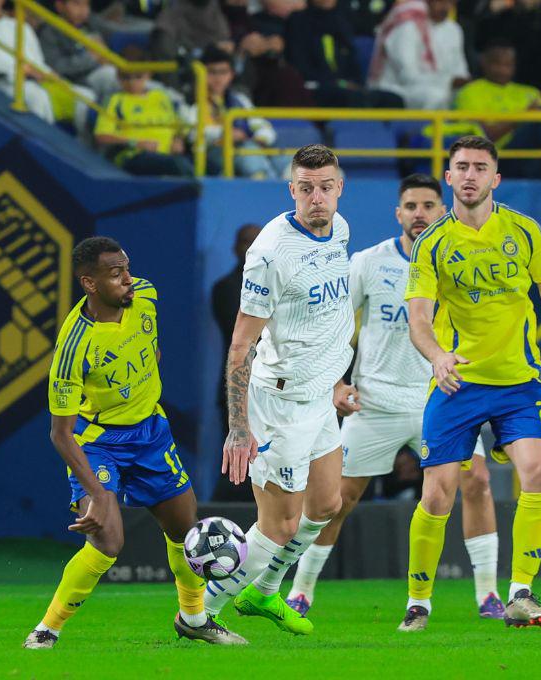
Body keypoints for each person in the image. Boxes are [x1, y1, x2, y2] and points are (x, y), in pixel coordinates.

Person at [285, 173, 505, 620]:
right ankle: (301, 590)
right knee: (338, 499)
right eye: (411, 206)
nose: (420, 213)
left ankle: (487, 594)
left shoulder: (461, 261)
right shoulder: (368, 262)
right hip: (376, 403)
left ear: (442, 210)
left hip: (441, 399)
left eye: (428, 205)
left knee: (478, 482)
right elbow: (332, 326)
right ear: (398, 213)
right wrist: (335, 385)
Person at [399, 135, 541, 632]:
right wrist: (437, 355)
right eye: (461, 166)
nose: (470, 175)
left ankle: (520, 593)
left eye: (480, 167)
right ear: (448, 176)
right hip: (458, 382)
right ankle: (419, 602)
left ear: (495, 179)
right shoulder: (432, 242)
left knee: (539, 470)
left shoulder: (524, 231)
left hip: (518, 383)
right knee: (438, 495)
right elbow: (417, 316)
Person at [23, 237, 246, 649]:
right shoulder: (74, 346)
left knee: (184, 530)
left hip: (150, 432)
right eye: (115, 274)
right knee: (108, 540)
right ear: (89, 283)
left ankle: (193, 619)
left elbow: (151, 349)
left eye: (127, 268)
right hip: (99, 441)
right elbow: (60, 432)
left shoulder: (144, 295)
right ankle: (47, 629)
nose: (128, 279)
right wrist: (97, 492)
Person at [204, 144, 353, 637]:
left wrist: (334, 377)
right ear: (291, 190)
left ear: (339, 188)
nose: (317, 198)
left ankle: (264, 593)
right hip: (279, 405)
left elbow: (329, 318)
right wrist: (238, 427)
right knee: (280, 527)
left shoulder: (341, 231)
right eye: (306, 188)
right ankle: (197, 614)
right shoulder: (269, 253)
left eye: (326, 187)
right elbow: (241, 342)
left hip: (318, 399)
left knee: (328, 505)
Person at [452, 39, 541, 181]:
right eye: (497, 64)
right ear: (484, 63)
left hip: (537, 157)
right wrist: (523, 116)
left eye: (508, 64)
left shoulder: (530, 92)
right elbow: (485, 137)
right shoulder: (470, 92)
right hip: (501, 157)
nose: (503, 69)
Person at [211, 223, 263, 502]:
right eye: (246, 243)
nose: (251, 249)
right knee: (235, 463)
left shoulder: (277, 283)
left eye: (257, 243)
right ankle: (226, 517)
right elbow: (244, 334)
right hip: (235, 391)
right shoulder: (224, 288)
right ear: (235, 248)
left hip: (272, 388)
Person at [182, 46, 286, 179]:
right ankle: (267, 191)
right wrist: (224, 133)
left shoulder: (239, 100)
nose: (218, 77)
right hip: (210, 153)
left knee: (285, 159)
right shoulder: (191, 101)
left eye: (223, 72)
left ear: (231, 74)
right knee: (248, 155)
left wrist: (260, 139)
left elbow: (263, 127)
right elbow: (192, 134)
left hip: (244, 147)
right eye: (212, 72)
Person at [93, 48, 194, 177]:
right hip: (134, 156)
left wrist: (178, 140)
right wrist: (137, 142)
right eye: (125, 77)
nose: (132, 82)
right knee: (177, 165)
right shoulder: (114, 100)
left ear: (148, 74)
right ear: (118, 76)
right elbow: (102, 136)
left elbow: (178, 126)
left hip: (168, 154)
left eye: (138, 76)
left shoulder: (161, 97)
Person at [285, 0, 405, 108]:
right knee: (352, 97)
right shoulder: (298, 21)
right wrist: (337, 83)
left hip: (345, 87)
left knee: (393, 100)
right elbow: (299, 65)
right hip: (315, 86)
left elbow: (352, 60)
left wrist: (354, 83)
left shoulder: (342, 21)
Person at [367, 0, 471, 110]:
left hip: (442, 88)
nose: (446, 7)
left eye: (451, 3)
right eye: (441, 2)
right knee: (435, 96)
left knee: (471, 96)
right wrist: (448, 82)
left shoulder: (454, 29)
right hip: (399, 90)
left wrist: (463, 81)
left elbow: (460, 69)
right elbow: (408, 76)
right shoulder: (406, 26)